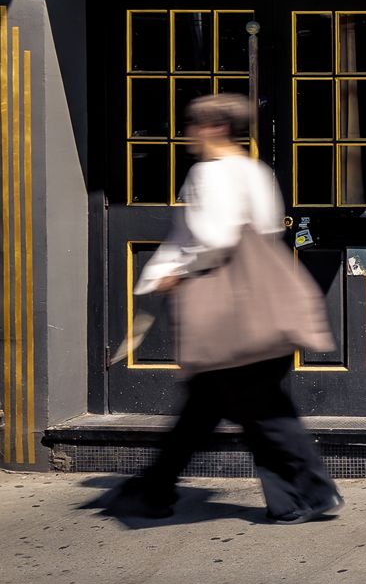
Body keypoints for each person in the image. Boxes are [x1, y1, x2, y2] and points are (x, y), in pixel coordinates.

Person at [101, 94, 340, 525]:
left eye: (192, 124)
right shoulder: (255, 171)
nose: (188, 133)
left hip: (226, 312)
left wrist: (174, 272)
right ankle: (162, 489)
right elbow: (266, 226)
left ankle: (311, 491)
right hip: (262, 305)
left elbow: (212, 236)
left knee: (254, 408)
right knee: (218, 407)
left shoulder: (208, 174)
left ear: (211, 128)